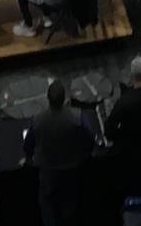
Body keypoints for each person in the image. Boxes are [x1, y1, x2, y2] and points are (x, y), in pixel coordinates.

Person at [26, 82, 93, 226]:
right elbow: (89, 137)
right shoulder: (77, 116)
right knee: (69, 202)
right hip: (71, 166)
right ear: (65, 99)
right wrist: (85, 154)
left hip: (48, 168)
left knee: (48, 202)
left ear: (48, 99)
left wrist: (28, 158)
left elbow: (28, 144)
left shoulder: (37, 119)